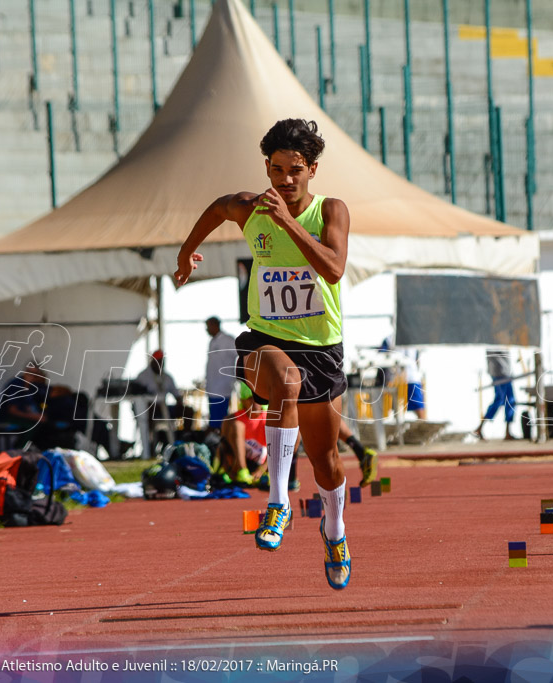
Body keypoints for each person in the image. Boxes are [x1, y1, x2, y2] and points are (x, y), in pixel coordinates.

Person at [175, 119, 351, 589]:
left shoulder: (330, 210)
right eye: (276, 169)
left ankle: (334, 530)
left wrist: (287, 223)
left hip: (321, 347)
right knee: (284, 383)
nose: (284, 179)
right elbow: (216, 208)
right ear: (267, 168)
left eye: (295, 170)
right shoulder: (249, 207)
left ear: (312, 169)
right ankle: (277, 503)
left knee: (327, 462)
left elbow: (333, 270)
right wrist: (187, 252)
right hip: (263, 337)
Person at [474, 347, 517, 441]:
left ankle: (480, 428)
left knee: (499, 400)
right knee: (509, 401)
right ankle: (507, 432)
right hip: (501, 372)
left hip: (499, 371)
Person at [205, 316, 238, 429]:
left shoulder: (228, 340)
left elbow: (240, 355)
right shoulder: (212, 341)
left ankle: (220, 442)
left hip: (222, 387)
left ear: (215, 325)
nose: (207, 329)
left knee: (219, 421)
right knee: (214, 418)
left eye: (208, 326)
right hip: (212, 387)